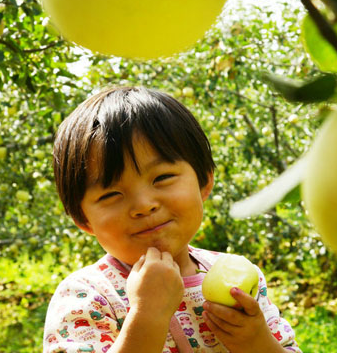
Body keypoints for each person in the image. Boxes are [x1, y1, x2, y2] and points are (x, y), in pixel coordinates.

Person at [43, 86, 301, 353]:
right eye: (111, 194)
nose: (144, 205)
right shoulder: (87, 296)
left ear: (204, 182)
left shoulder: (237, 278)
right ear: (83, 219)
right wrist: (147, 315)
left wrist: (256, 341)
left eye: (162, 178)